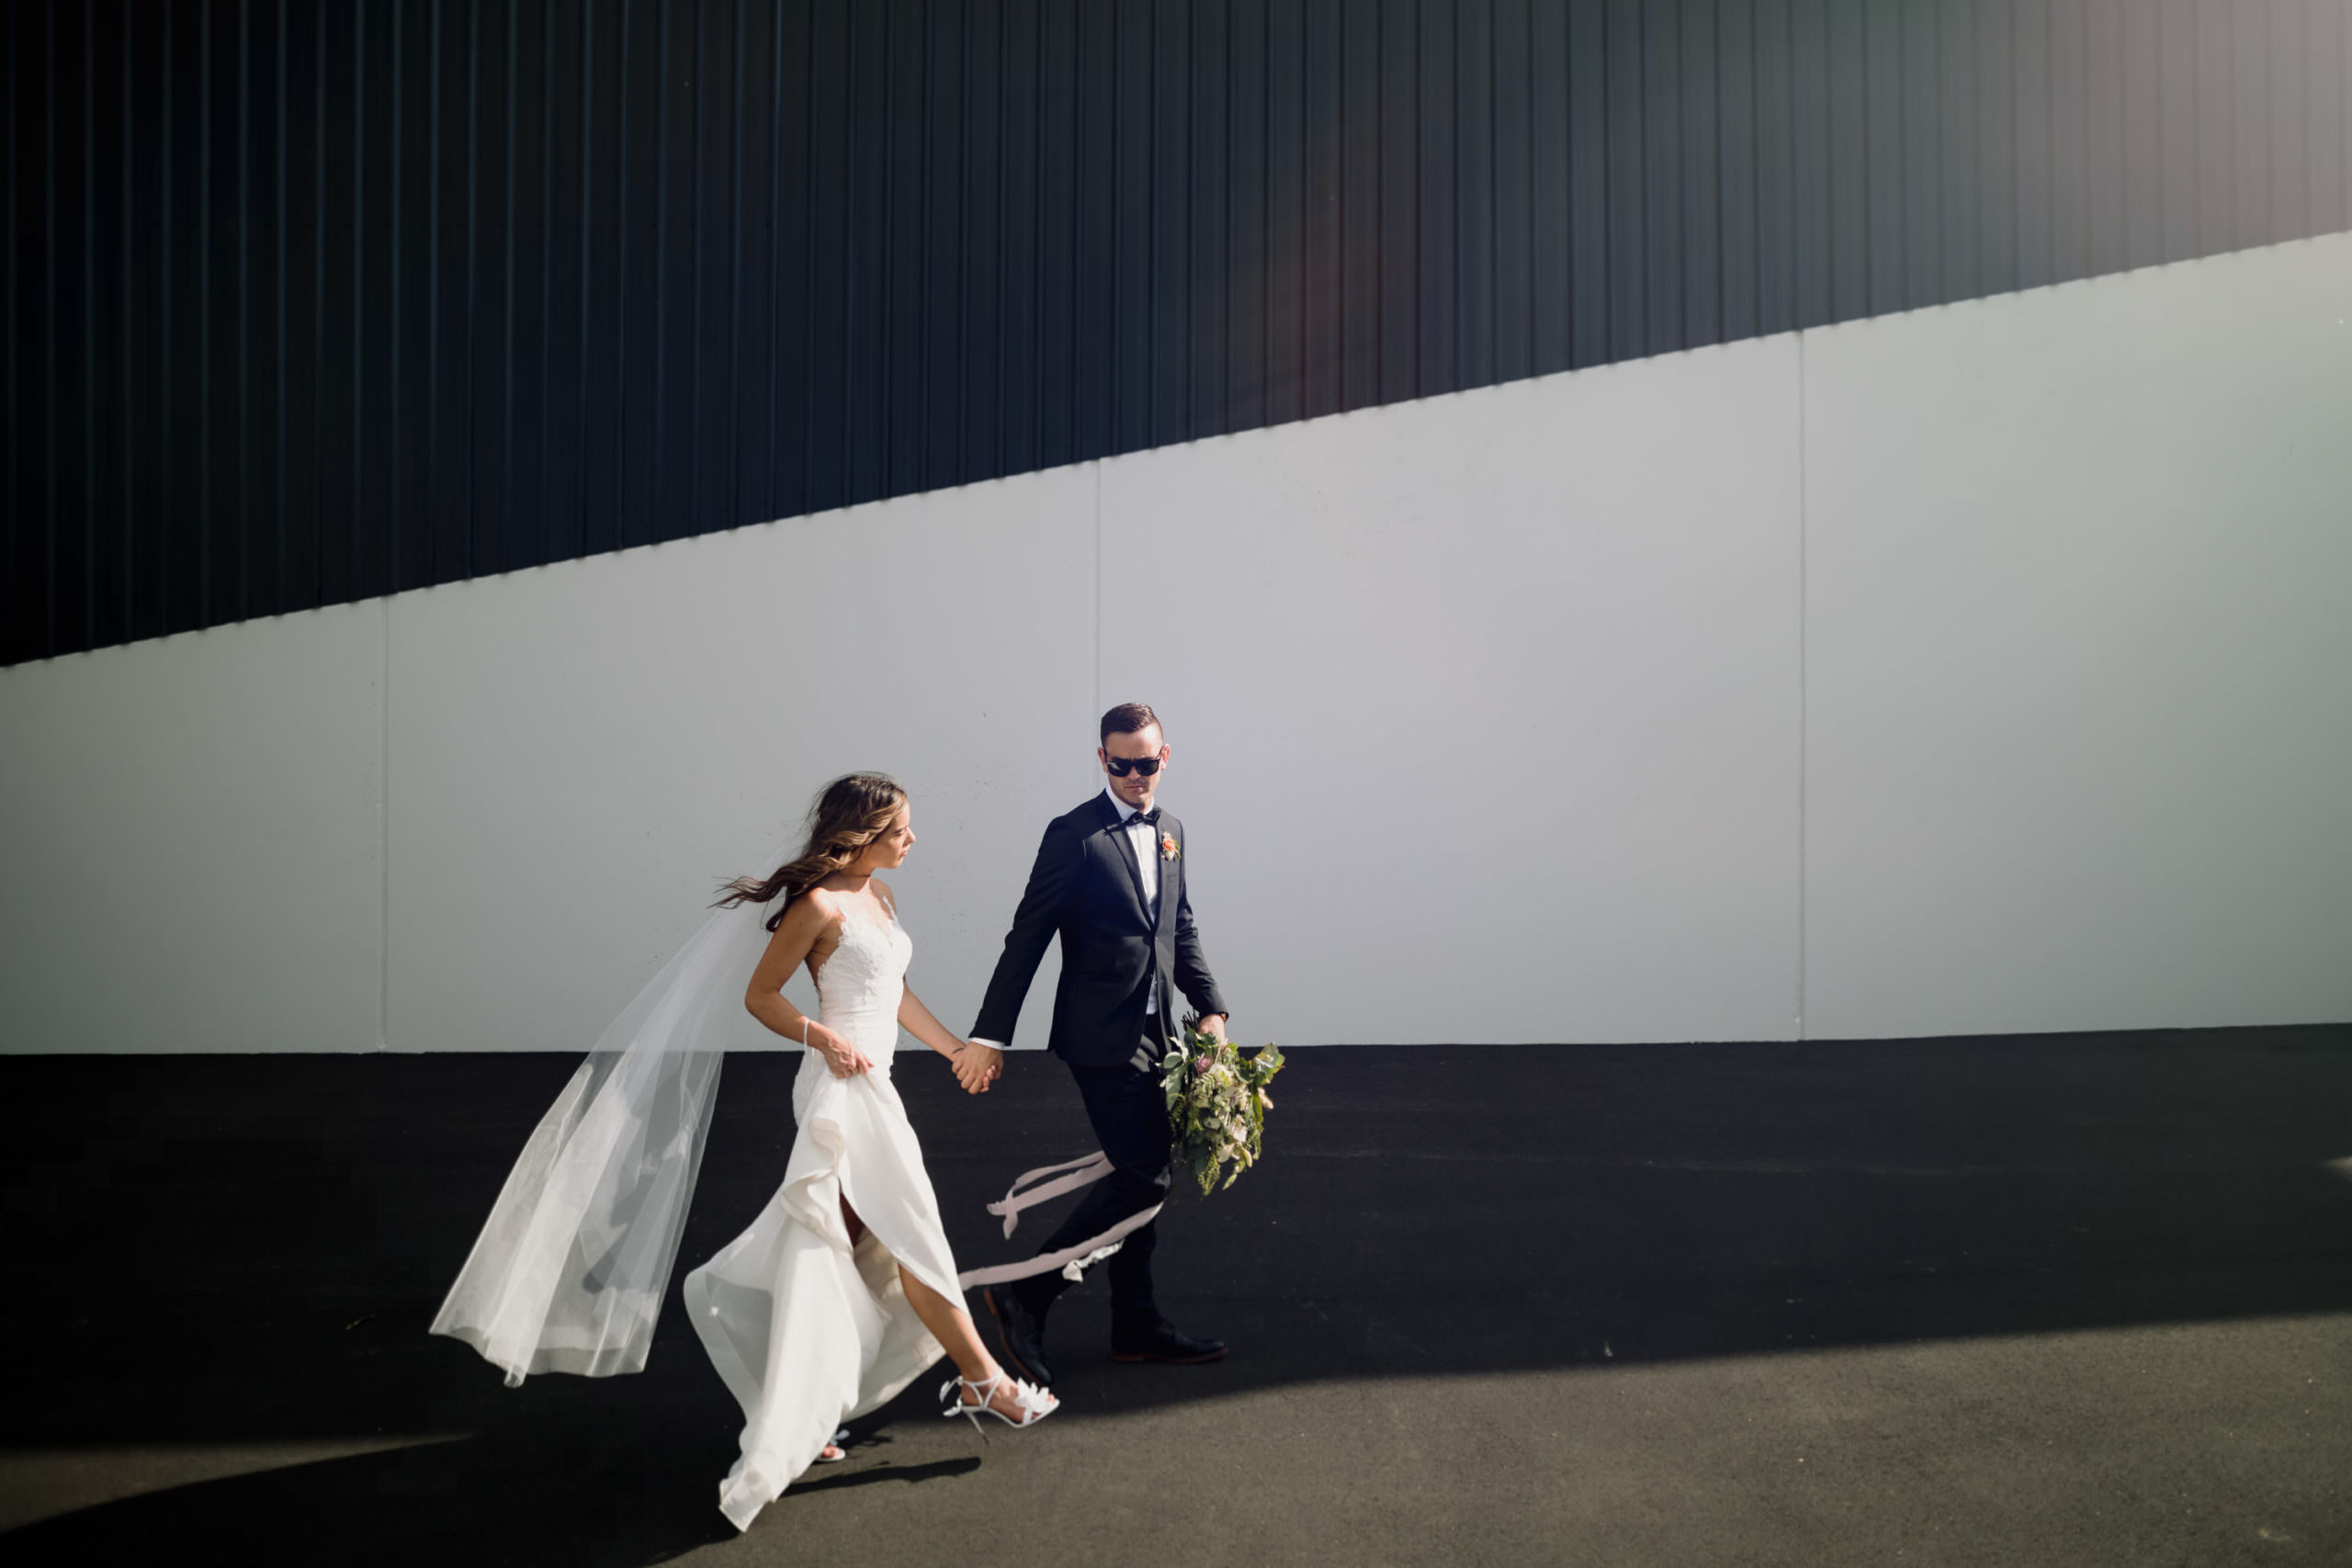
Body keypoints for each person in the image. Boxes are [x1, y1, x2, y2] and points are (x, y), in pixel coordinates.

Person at [432, 773, 1054, 1535]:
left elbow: (893, 992)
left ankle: (796, 1398)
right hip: (838, 1092)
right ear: (859, 832)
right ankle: (984, 1379)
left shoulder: (879, 901)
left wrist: (954, 1046)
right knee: (911, 1236)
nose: (912, 839)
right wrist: (822, 1037)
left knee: (844, 1250)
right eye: (899, 828)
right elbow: (763, 995)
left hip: (876, 1085)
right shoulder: (817, 905)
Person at [967, 704, 1232, 1387]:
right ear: (1102, 759)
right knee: (1145, 1174)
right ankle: (1025, 1292)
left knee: (1140, 1174)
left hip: (1158, 1033)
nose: (1137, 776)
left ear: (1165, 756)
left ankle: (1135, 1325)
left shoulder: (1170, 830)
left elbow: (1181, 926)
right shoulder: (1073, 836)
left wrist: (1212, 1007)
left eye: (1148, 763)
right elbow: (1026, 938)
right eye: (1123, 764)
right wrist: (990, 1033)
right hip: (1099, 1037)